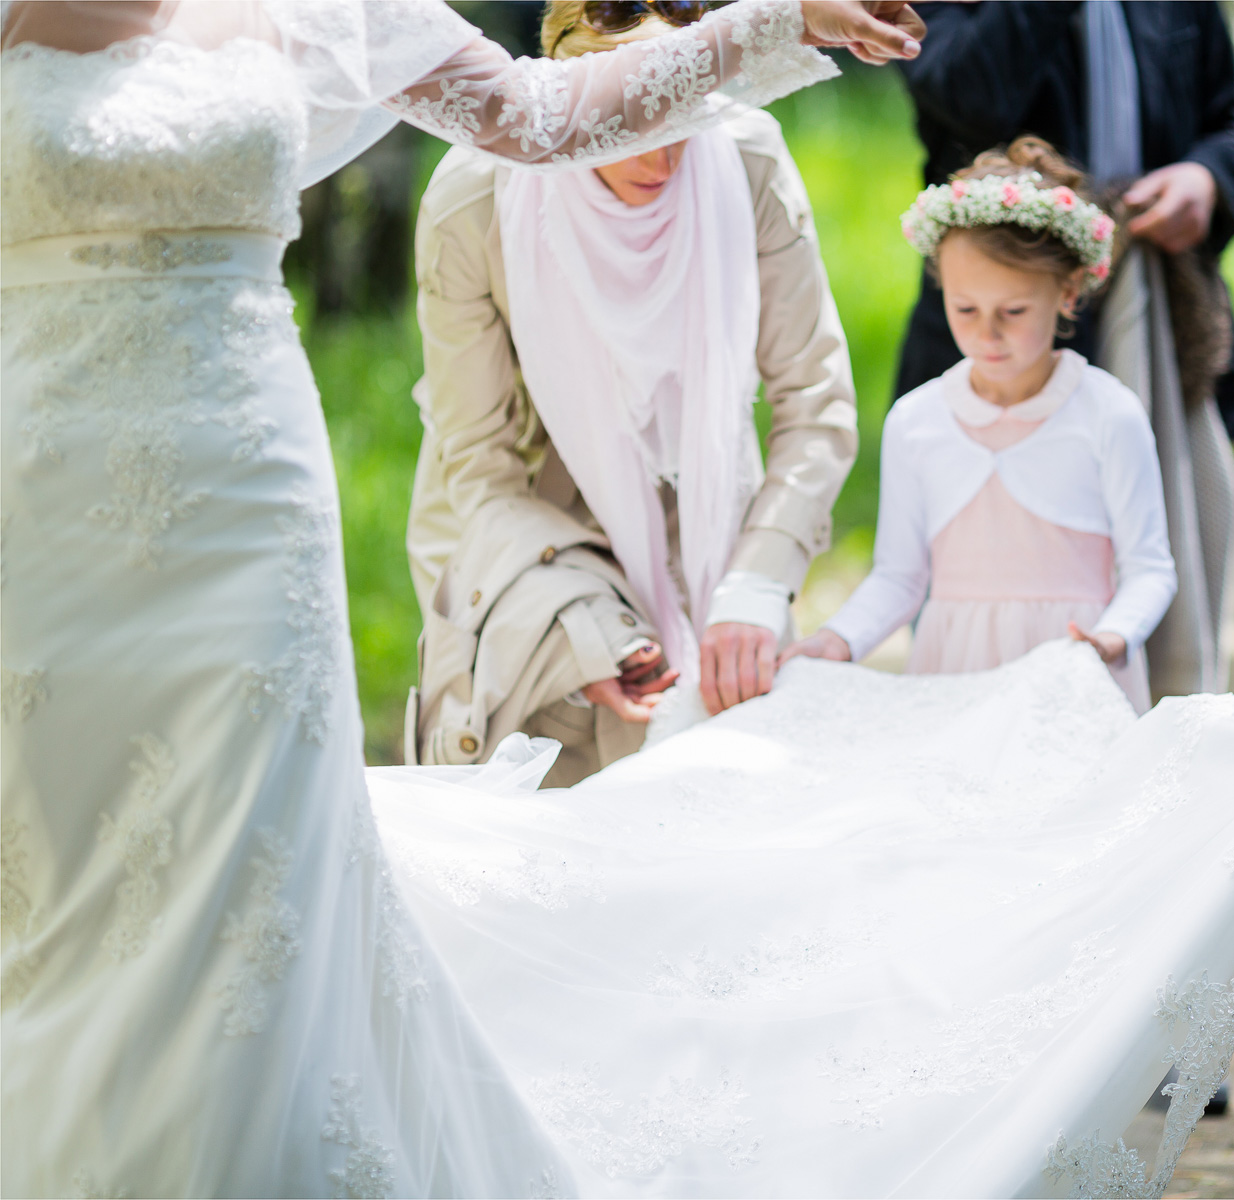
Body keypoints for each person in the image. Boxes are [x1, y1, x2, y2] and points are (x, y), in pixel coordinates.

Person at [0, 1, 924, 1192]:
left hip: (239, 497)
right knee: (54, 847)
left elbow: (539, 115)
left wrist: (774, 23)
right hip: (38, 475)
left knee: (248, 857)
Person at [405, 4, 858, 785]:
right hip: (536, 553)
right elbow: (479, 467)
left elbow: (816, 403)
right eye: (636, 125)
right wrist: (586, 633)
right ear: (572, 112)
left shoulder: (745, 160)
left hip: (720, 531)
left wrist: (756, 581)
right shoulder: (475, 199)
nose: (669, 152)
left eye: (687, 114)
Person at [892, 0, 1234, 698]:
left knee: (1169, 550)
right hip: (998, 337)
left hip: (1156, 317)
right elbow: (963, 92)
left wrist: (1209, 178)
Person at [781, 138, 1176, 712]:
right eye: (965, 309)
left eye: (1013, 312)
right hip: (953, 679)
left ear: (1067, 293)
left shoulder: (1107, 414)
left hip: (1070, 680)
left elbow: (1149, 569)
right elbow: (899, 577)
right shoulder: (917, 422)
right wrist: (837, 640)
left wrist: (1112, 638)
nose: (987, 333)